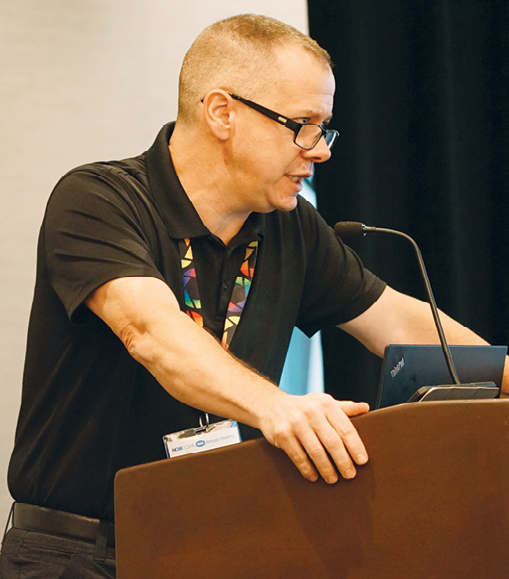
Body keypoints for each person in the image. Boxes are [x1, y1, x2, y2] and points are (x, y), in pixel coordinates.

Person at [1, 13, 507, 579]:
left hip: (212, 541)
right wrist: (277, 407)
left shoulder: (291, 226)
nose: (321, 151)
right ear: (222, 112)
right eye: (303, 124)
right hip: (77, 554)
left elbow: (400, 322)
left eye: (325, 127)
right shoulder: (98, 199)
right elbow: (150, 332)